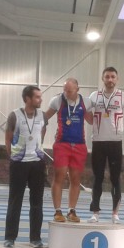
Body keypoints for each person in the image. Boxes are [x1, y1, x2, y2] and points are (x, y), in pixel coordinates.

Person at [86, 67, 124, 223]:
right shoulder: (94, 96)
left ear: (117, 79)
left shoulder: (123, 96)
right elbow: (84, 111)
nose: (110, 79)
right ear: (102, 79)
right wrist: (87, 117)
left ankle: (115, 213)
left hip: (115, 142)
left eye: (113, 77)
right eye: (107, 77)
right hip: (98, 141)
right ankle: (95, 213)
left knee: (115, 178)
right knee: (97, 178)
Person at [3, 85, 47, 248]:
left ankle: (35, 238)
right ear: (27, 99)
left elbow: (42, 134)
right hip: (19, 164)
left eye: (40, 97)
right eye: (37, 97)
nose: (40, 99)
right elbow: (7, 138)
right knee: (15, 201)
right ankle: (10, 237)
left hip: (37, 163)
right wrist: (13, 156)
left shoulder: (43, 116)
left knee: (37, 202)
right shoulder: (14, 116)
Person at [43, 78, 87, 223]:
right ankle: (57, 211)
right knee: (59, 176)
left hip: (79, 145)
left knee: (75, 179)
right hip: (62, 144)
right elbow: (44, 117)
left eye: (69, 90)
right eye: (65, 90)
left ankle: (71, 210)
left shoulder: (86, 102)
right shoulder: (57, 100)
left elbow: (94, 120)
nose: (66, 93)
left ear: (77, 89)